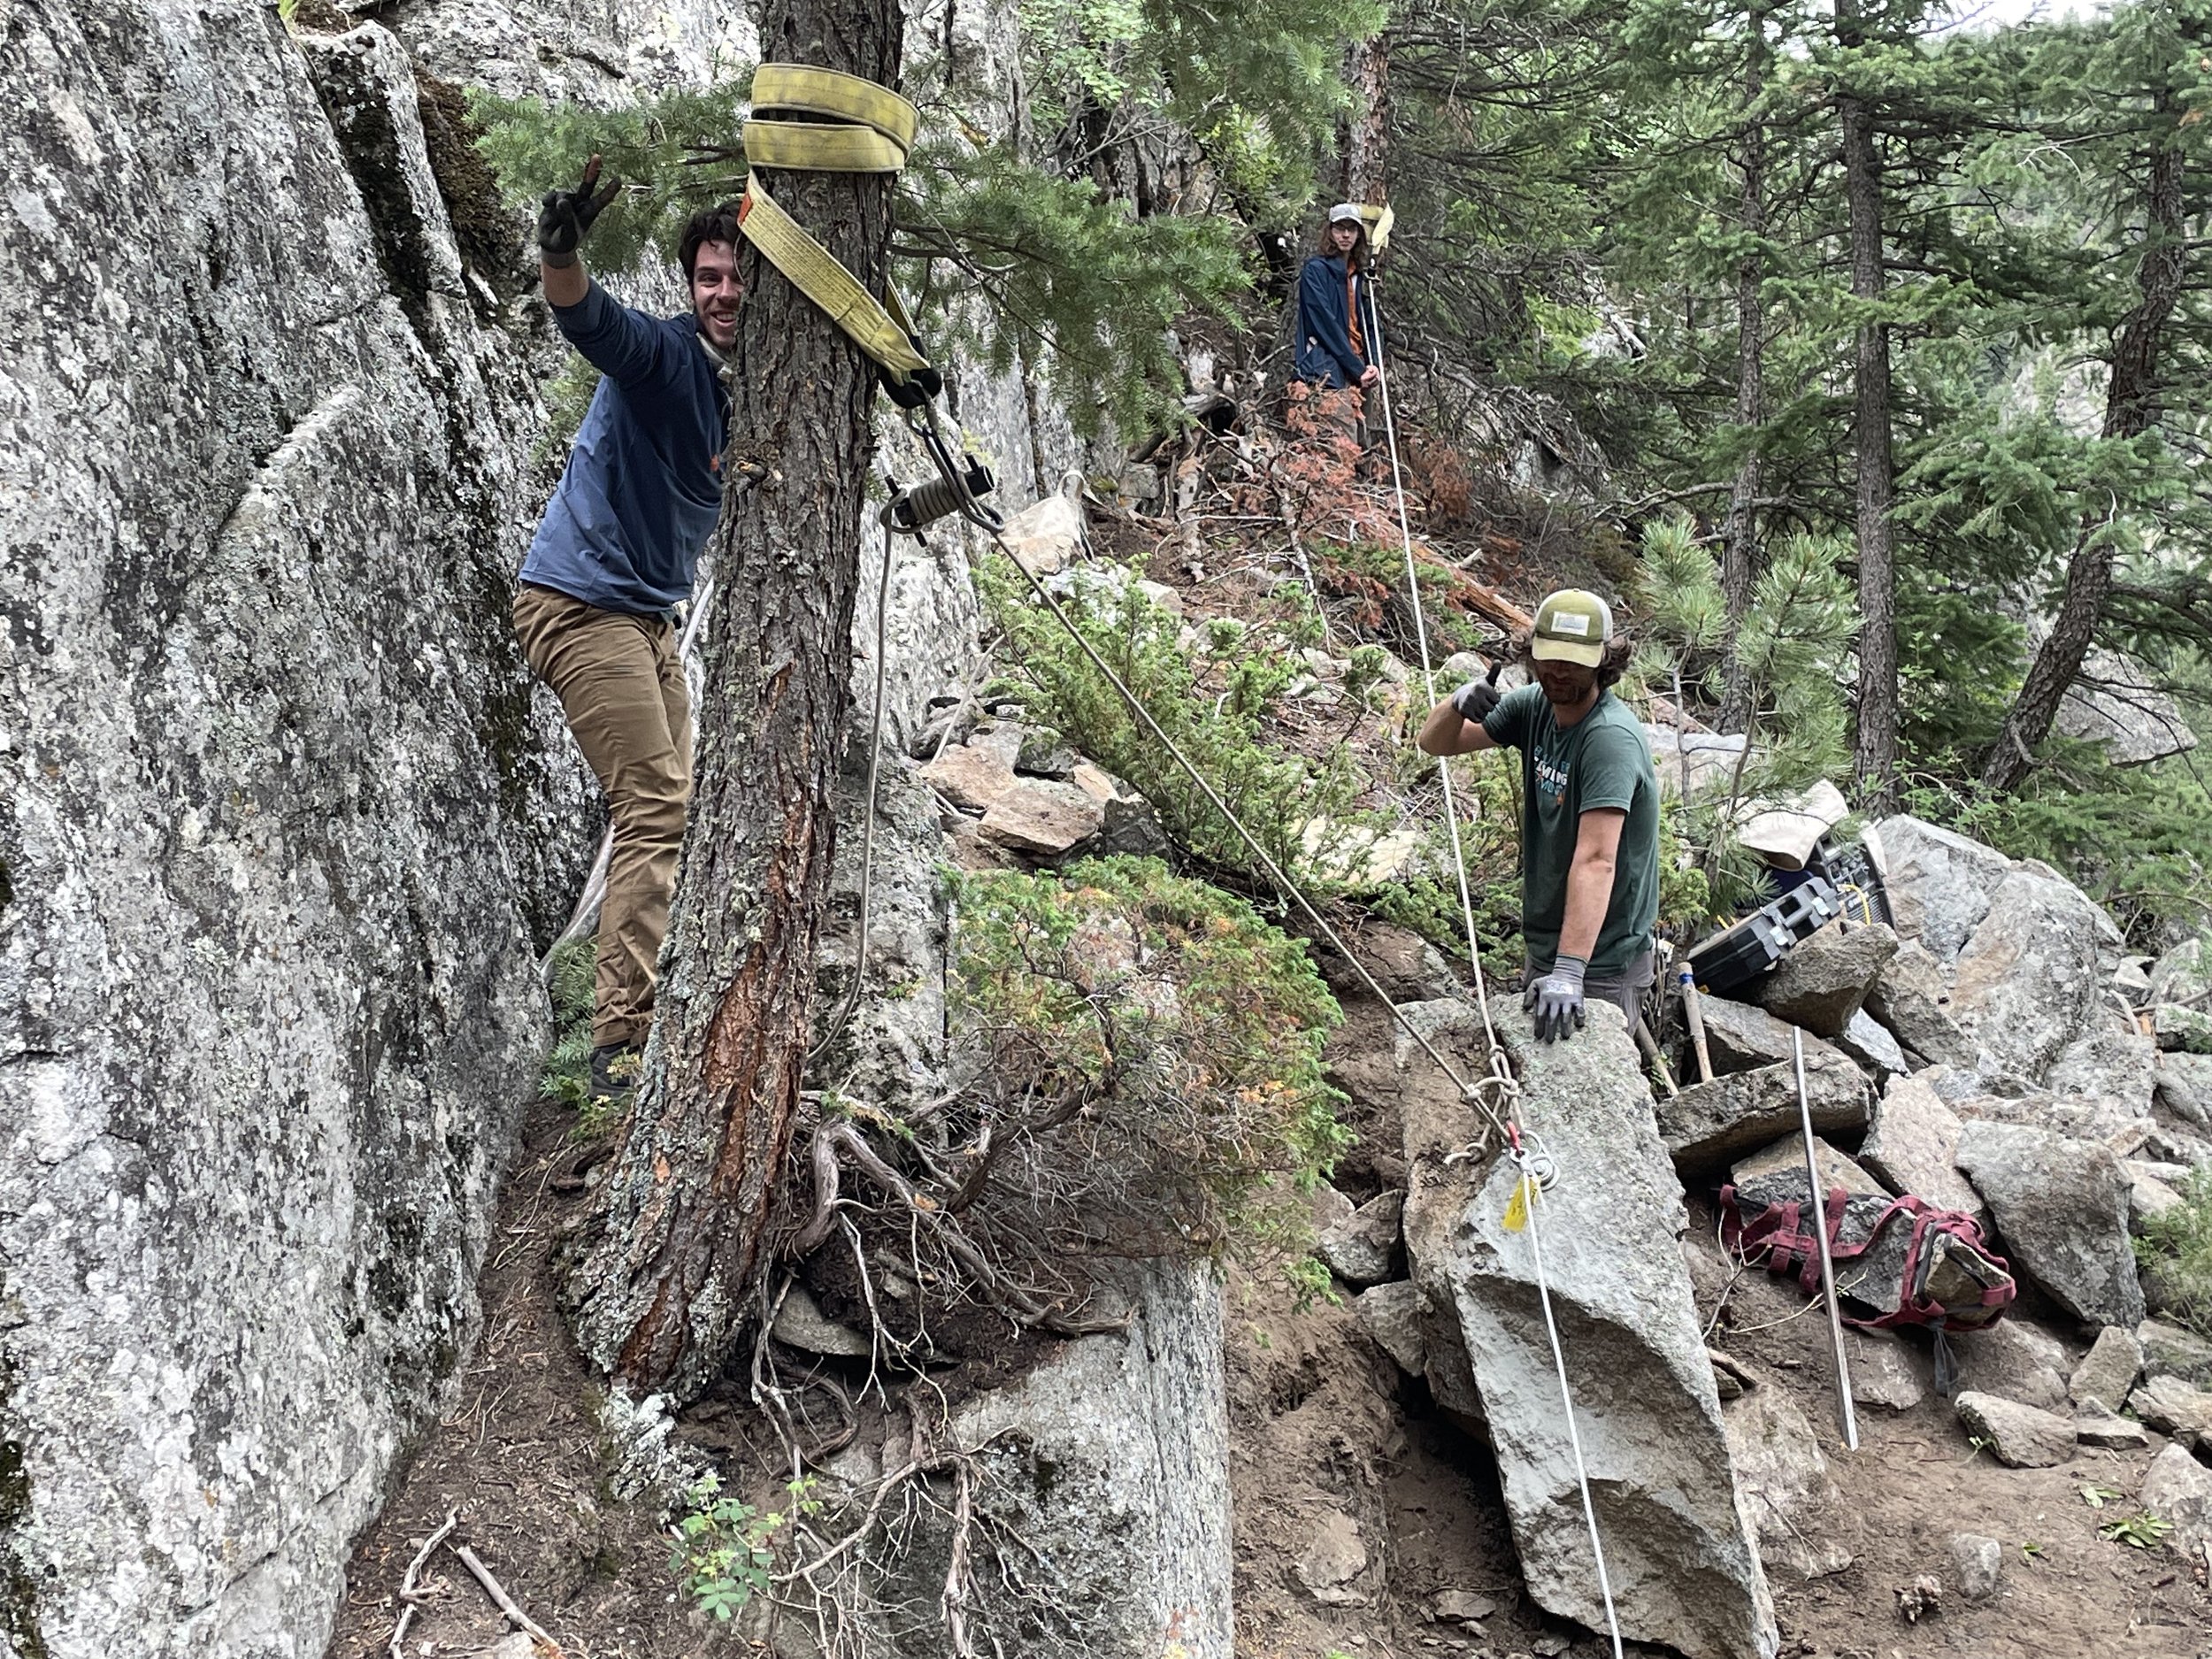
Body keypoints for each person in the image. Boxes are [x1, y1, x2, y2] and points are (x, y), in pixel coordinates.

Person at [510, 155, 742, 1104]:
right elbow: (591, 322)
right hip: (578, 605)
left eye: (738, 278)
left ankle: (656, 1005)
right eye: (708, 279)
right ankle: (622, 1047)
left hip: (647, 618)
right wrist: (560, 251)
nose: (722, 294)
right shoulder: (670, 359)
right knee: (656, 809)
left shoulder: (756, 388)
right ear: (690, 289)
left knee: (681, 804)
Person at [1417, 590, 1661, 1043]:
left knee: (1588, 1100)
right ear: (1531, 653)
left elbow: (1597, 859)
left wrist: (1570, 971)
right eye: (1549, 657)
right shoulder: (1534, 707)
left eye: (1574, 661)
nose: (1558, 671)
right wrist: (1456, 703)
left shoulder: (1609, 740)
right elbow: (1437, 744)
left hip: (1602, 961)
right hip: (1550, 945)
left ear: (1603, 663)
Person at [1294, 203, 1382, 394]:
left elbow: (1370, 324)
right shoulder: (1315, 271)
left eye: (1351, 229)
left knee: (1361, 423)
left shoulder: (1360, 275)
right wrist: (1357, 369)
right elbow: (1325, 325)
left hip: (1359, 367)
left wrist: (1374, 364)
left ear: (1359, 234)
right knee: (1336, 422)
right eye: (1339, 228)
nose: (1345, 235)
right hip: (1324, 368)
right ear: (1330, 231)